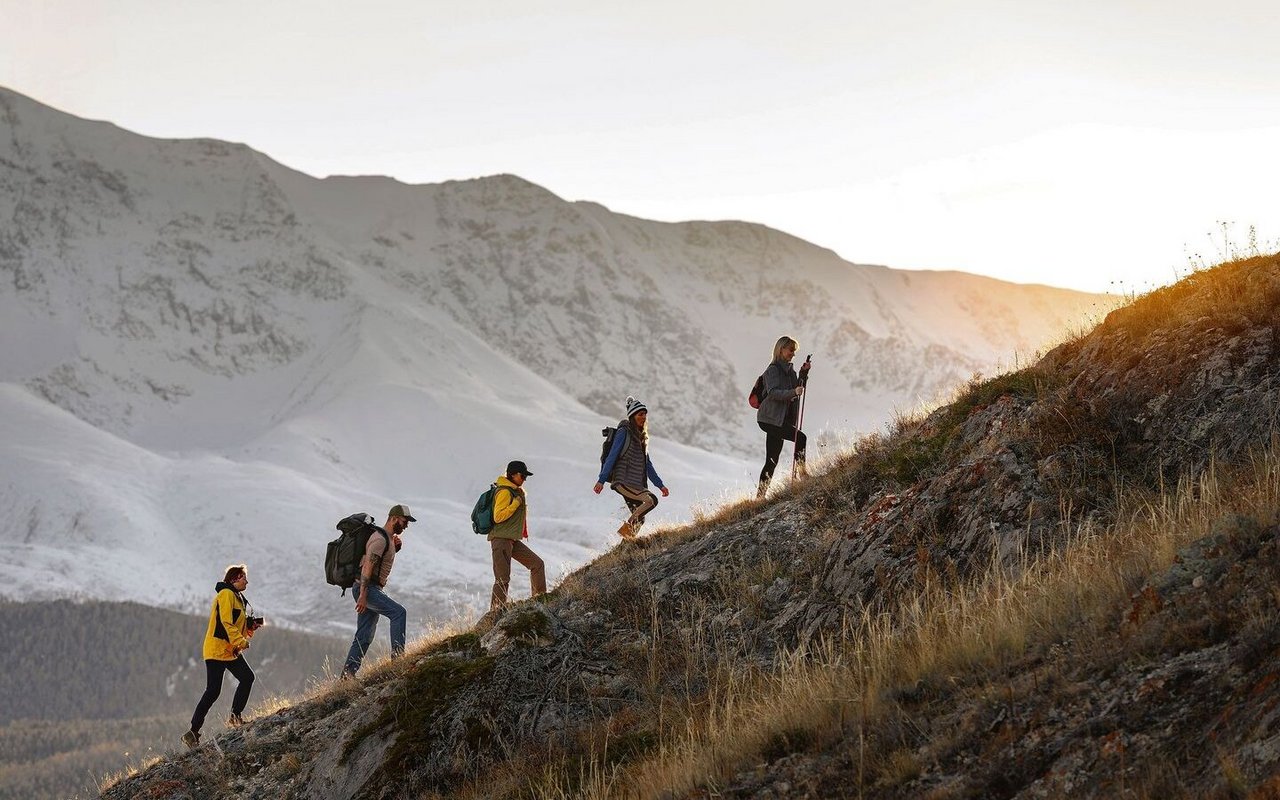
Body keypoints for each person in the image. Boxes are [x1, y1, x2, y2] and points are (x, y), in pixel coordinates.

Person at [182, 564, 259, 748]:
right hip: (217, 651)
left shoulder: (237, 597)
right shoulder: (226, 595)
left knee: (247, 678)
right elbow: (225, 622)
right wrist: (241, 642)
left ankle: (235, 717)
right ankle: (193, 732)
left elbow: (235, 625)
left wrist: (249, 628)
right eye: (243, 577)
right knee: (213, 691)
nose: (246, 581)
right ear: (234, 579)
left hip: (229, 651)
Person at [341, 504, 413, 678]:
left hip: (369, 589)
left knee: (364, 635)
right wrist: (364, 595)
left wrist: (395, 549)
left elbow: (379, 563)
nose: (406, 526)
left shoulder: (387, 540)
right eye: (404, 521)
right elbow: (368, 566)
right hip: (367, 589)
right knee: (399, 613)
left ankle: (347, 676)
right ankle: (398, 662)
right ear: (394, 518)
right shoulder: (380, 539)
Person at [594, 396, 670, 538]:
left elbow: (647, 465)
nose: (644, 417)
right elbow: (613, 455)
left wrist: (660, 485)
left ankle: (624, 545)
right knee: (651, 500)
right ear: (632, 416)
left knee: (640, 518)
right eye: (640, 414)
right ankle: (624, 531)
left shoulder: (642, 438)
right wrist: (601, 480)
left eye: (645, 414)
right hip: (623, 481)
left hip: (635, 484)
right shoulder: (624, 432)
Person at [487, 460, 546, 612]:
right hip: (501, 540)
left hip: (511, 539)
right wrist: (515, 503)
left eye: (526, 476)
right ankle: (495, 614)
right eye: (522, 476)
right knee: (502, 579)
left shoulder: (514, 491)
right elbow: (498, 516)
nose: (524, 479)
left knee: (537, 564)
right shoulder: (505, 492)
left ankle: (540, 603)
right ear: (512, 475)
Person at [756, 336, 811, 498]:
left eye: (794, 351)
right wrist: (793, 392)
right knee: (800, 438)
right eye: (791, 350)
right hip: (770, 418)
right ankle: (803, 476)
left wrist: (803, 373)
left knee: (772, 459)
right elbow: (773, 393)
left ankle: (759, 497)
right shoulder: (772, 370)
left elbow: (797, 388)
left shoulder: (790, 371)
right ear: (781, 349)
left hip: (777, 419)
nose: (793, 354)